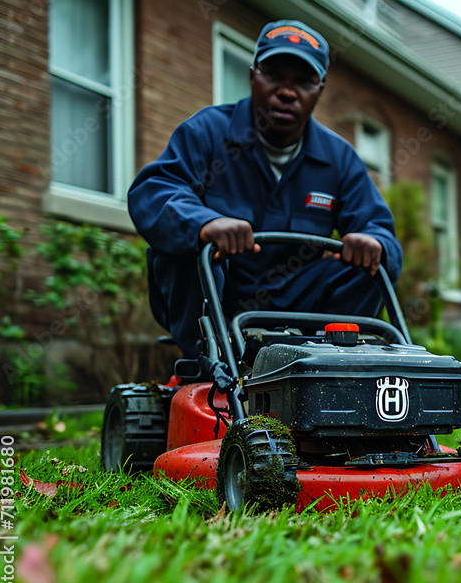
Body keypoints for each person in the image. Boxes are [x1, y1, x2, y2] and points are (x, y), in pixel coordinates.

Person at [129, 19, 402, 358]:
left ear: (319, 89)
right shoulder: (207, 132)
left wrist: (374, 243)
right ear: (253, 75)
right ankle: (209, 362)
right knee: (189, 246)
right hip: (218, 296)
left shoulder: (339, 159)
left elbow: (381, 231)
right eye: (274, 75)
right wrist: (203, 224)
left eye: (303, 81)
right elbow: (153, 192)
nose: (287, 92)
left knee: (373, 264)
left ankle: (332, 362)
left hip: (301, 308)